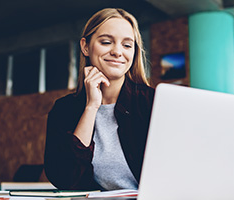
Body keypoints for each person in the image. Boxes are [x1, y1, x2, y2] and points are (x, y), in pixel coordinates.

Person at [44, 8, 155, 190]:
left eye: (127, 45)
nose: (118, 52)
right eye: (106, 42)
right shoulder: (64, 109)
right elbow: (65, 178)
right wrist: (91, 107)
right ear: (85, 47)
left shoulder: (152, 102)